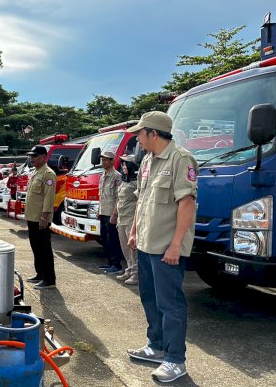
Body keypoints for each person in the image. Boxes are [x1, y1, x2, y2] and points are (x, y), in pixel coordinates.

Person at [126, 111, 198, 383]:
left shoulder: (181, 159)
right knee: (150, 299)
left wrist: (176, 244)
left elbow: (186, 203)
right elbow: (141, 200)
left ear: (153, 133)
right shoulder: (147, 161)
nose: (137, 138)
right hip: (146, 244)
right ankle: (155, 347)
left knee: (171, 305)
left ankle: (175, 359)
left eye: (140, 133)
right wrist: (134, 232)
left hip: (167, 248)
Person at [24, 145, 57, 290]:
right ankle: (40, 274)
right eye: (31, 156)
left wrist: (44, 217)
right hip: (32, 217)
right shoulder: (36, 172)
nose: (32, 159)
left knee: (44, 249)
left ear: (43, 157)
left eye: (35, 156)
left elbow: (49, 198)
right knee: (36, 247)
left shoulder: (48, 174)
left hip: (40, 219)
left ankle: (49, 279)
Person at [114, 155, 139, 285]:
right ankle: (129, 269)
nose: (123, 167)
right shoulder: (124, 181)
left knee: (133, 249)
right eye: (122, 165)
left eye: (126, 165)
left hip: (130, 219)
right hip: (121, 219)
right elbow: (119, 199)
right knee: (124, 247)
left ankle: (136, 274)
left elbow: (140, 201)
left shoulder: (137, 182)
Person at [98, 151, 123, 274]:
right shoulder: (102, 176)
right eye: (102, 160)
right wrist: (99, 210)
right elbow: (101, 195)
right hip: (103, 212)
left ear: (112, 161)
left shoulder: (116, 176)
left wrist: (115, 214)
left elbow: (119, 197)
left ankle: (116, 264)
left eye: (106, 160)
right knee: (104, 239)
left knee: (113, 239)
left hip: (111, 214)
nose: (103, 162)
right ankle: (109, 262)